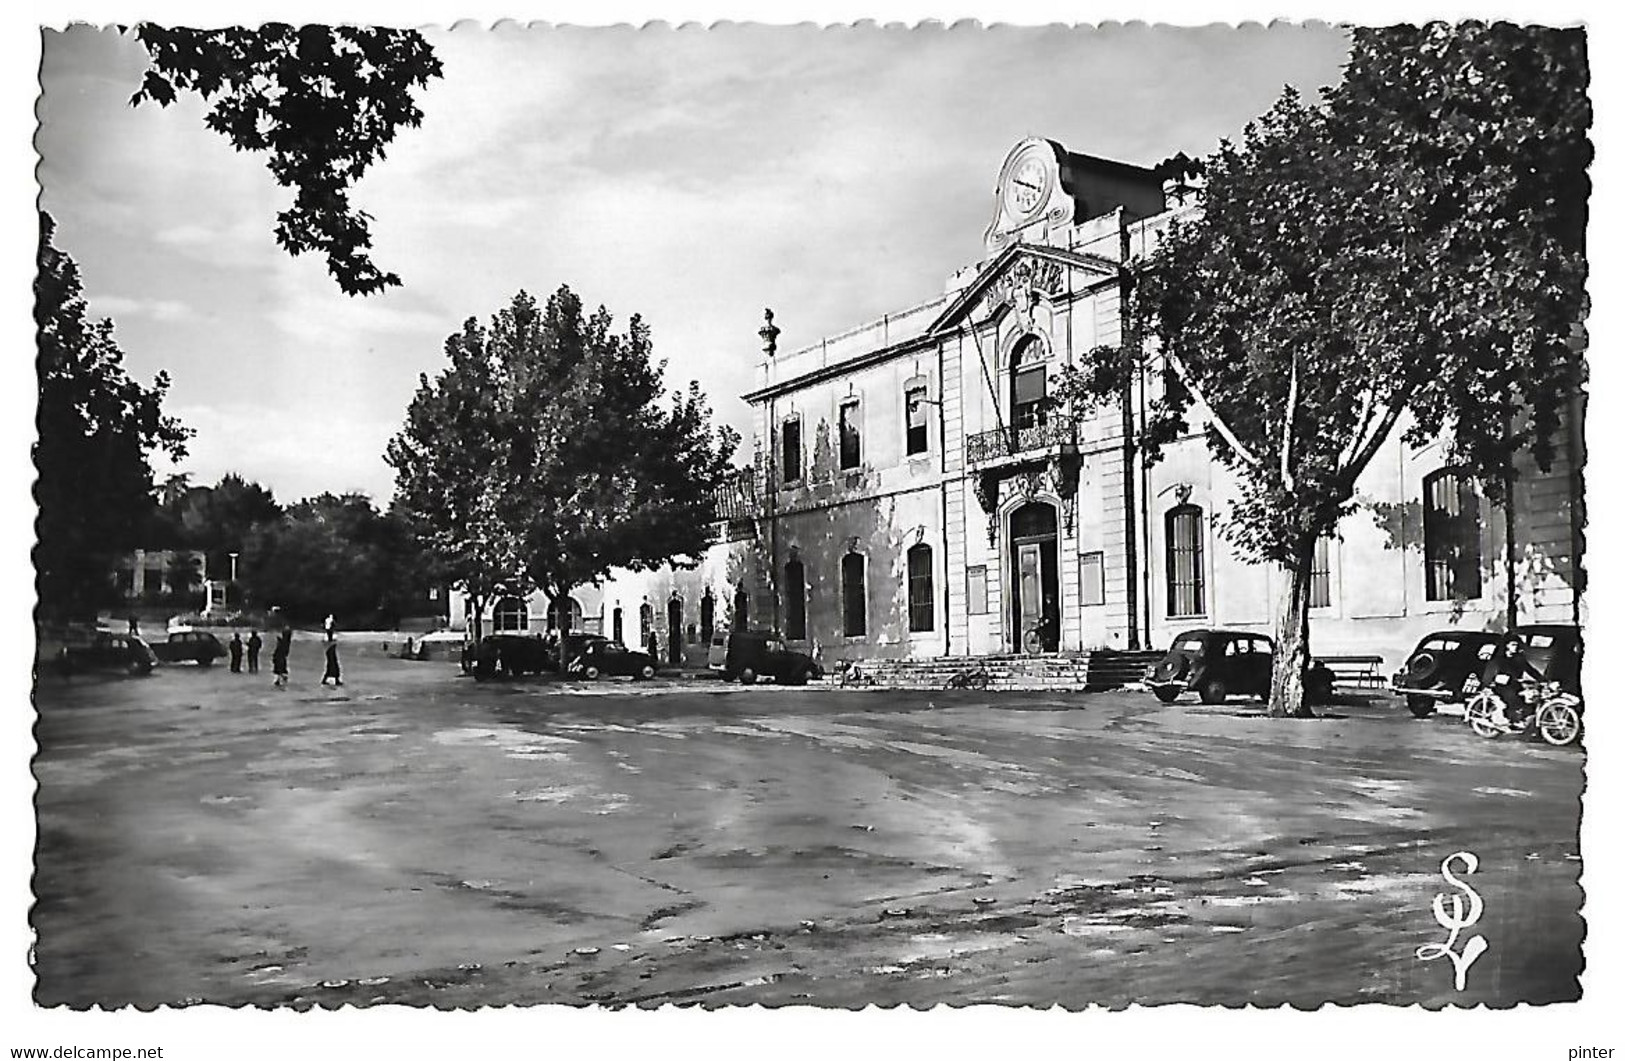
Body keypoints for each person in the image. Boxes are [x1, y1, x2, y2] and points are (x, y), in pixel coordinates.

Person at [1489, 635, 1544, 729]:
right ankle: (1510, 719)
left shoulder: (1519, 658)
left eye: (1517, 645)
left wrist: (1543, 680)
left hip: (1515, 684)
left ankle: (1522, 718)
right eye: (1513, 645)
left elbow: (1530, 670)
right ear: (1507, 645)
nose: (1516, 647)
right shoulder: (1498, 659)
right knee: (1512, 698)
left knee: (1531, 698)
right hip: (1501, 686)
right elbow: (1490, 674)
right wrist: (1497, 678)